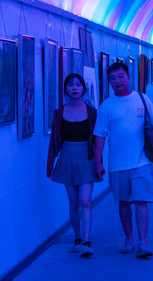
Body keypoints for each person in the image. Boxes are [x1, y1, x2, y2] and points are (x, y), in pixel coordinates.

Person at [94, 62, 153, 258]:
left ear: (128, 77)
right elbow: (100, 135)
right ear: (109, 81)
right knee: (123, 203)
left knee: (141, 201)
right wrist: (98, 161)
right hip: (117, 165)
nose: (117, 81)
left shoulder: (142, 100)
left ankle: (143, 242)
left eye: (120, 77)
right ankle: (129, 239)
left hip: (141, 163)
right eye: (113, 78)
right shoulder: (106, 106)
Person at [47, 73, 102, 257]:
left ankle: (87, 241)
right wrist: (50, 164)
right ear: (65, 89)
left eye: (78, 84)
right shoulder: (59, 113)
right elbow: (54, 140)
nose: (74, 87)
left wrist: (99, 163)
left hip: (86, 159)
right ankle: (78, 238)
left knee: (85, 201)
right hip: (67, 159)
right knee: (74, 203)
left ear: (83, 89)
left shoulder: (92, 113)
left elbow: (97, 139)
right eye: (70, 84)